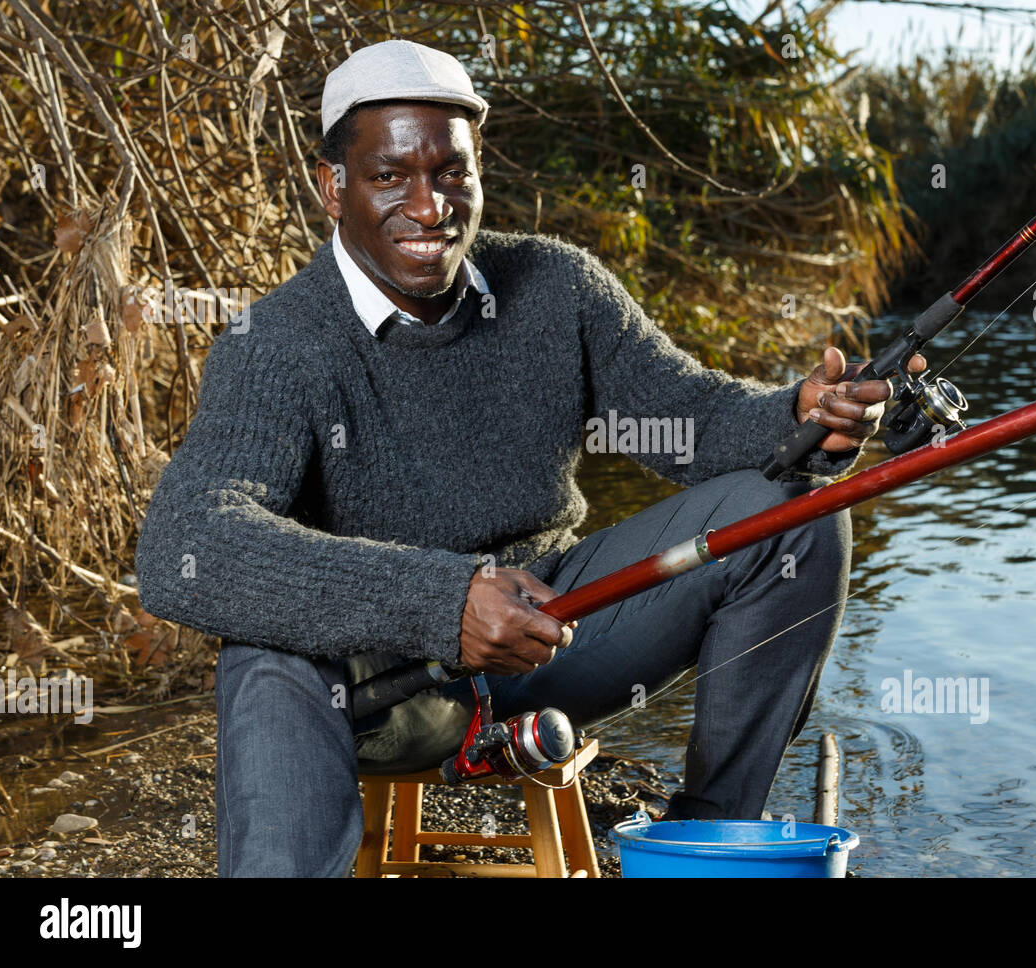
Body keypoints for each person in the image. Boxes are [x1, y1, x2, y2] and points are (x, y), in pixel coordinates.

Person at [134, 40, 925, 877]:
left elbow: (690, 420)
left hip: (556, 634)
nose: (429, 204)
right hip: (373, 689)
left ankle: (710, 845)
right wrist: (444, 602)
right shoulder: (277, 344)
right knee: (265, 655)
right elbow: (187, 549)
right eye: (390, 176)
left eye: (451, 172)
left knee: (796, 519)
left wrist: (796, 418)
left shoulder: (556, 287)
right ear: (332, 186)